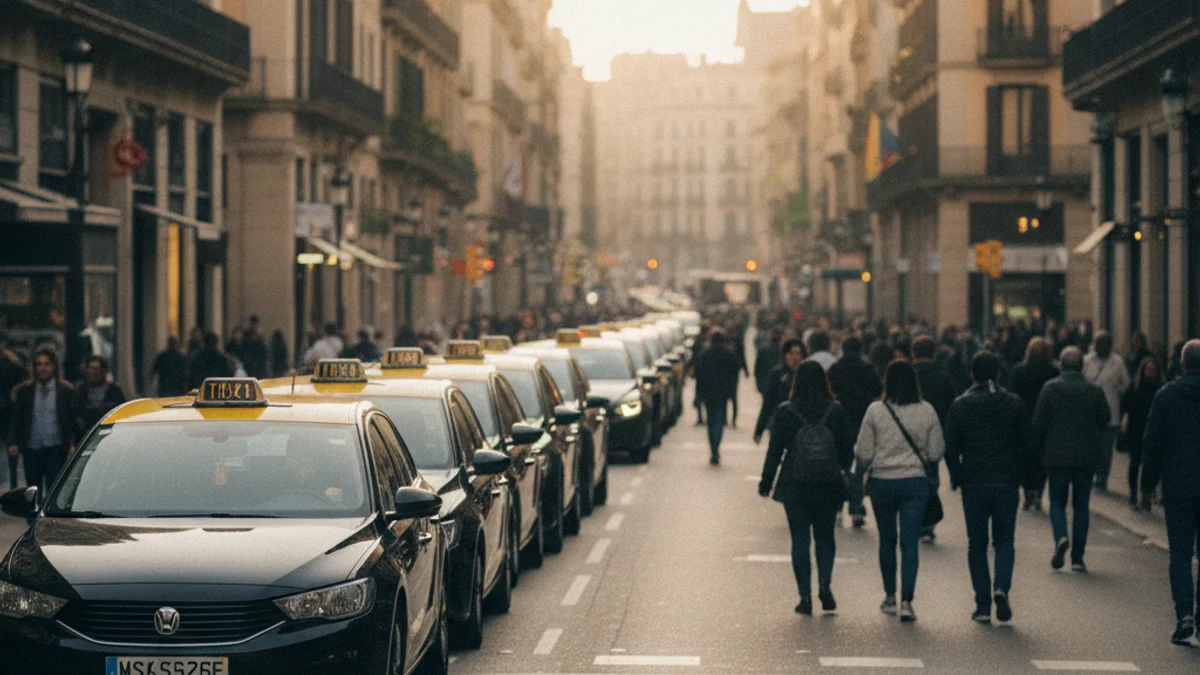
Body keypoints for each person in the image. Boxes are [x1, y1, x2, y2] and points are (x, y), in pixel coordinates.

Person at [758, 362, 854, 615]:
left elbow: (775, 450)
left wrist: (766, 481)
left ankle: (804, 597)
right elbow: (847, 448)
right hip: (828, 484)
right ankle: (825, 584)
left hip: (794, 483)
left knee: (799, 540)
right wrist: (841, 469)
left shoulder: (786, 411)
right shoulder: (835, 411)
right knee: (825, 538)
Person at [944, 351, 1031, 624]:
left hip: (974, 482)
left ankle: (982, 605)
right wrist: (1027, 480)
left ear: (972, 374)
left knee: (977, 545)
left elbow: (951, 448)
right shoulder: (1014, 403)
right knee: (1005, 541)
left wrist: (957, 475)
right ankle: (1001, 587)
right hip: (1006, 481)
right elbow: (1027, 445)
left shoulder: (961, 405)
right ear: (998, 374)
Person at [854, 360, 945, 622]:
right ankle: (907, 601)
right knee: (909, 543)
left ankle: (889, 597)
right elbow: (936, 451)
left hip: (882, 481)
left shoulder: (875, 410)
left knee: (886, 540)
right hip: (914, 482)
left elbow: (863, 452)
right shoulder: (926, 411)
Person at [1141, 339, 1200, 646]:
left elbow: (1153, 445)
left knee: (1179, 554)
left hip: (1177, 487)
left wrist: (1146, 487)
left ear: (1182, 364)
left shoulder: (1166, 396)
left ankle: (1184, 617)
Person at [1033, 347, 1110, 573]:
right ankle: (1078, 558)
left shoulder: (1049, 389)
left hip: (1056, 455)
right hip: (1086, 456)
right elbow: (1104, 420)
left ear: (1061, 366)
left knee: (1057, 501)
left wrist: (1038, 453)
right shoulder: (1094, 391)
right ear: (1082, 366)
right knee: (1081, 505)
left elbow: (1039, 424)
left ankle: (1061, 536)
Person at [828, 335, 882, 528]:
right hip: (862, 423)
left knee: (840, 467)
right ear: (861, 349)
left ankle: (836, 508)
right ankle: (857, 507)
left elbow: (828, 392)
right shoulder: (868, 369)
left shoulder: (835, 369)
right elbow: (878, 390)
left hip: (839, 423)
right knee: (860, 469)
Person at [6, 348, 78, 492]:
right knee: (33, 489)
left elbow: (72, 418)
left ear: (53, 367)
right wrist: (13, 441)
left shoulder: (65, 391)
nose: (42, 368)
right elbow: (17, 417)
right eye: (39, 364)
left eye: (46, 364)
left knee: (54, 488)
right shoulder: (26, 391)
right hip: (32, 448)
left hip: (56, 447)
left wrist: (73, 441)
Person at [911, 335, 954, 542]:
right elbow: (950, 405)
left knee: (911, 473)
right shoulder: (942, 375)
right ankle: (927, 523)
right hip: (933, 431)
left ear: (913, 352)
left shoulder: (908, 374)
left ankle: (915, 518)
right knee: (931, 475)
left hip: (908, 430)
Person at [1009, 337, 1060, 510]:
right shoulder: (1053, 371)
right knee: (1041, 461)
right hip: (1045, 421)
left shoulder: (1019, 370)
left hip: (1023, 419)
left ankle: (1027, 493)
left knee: (1024, 460)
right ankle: (1038, 491)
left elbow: (1012, 395)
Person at [1083, 331, 1130, 491]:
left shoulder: (1118, 362)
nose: (1099, 347)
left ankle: (1103, 476)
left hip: (1110, 409)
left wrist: (1115, 388)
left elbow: (1126, 384)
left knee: (1106, 447)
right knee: (1091, 445)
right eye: (1097, 344)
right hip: (1090, 411)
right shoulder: (1087, 360)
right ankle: (1093, 473)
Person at [694, 329, 741, 465]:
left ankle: (713, 449)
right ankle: (715, 447)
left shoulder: (705, 355)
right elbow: (734, 373)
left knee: (711, 421)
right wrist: (731, 391)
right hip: (722, 394)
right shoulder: (728, 355)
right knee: (719, 421)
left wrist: (699, 394)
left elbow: (699, 376)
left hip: (709, 394)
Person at [1122, 357, 1163, 508]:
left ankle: (1147, 493)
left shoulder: (1161, 389)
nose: (1149, 372)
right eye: (1147, 369)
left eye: (1152, 370)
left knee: (1150, 465)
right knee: (1134, 464)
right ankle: (1133, 493)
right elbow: (1125, 407)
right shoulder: (1134, 388)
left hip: (1154, 432)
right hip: (1136, 431)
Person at [754, 338, 805, 444]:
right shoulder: (777, 374)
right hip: (779, 424)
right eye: (791, 353)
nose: (795, 358)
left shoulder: (806, 373)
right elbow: (768, 403)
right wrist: (759, 430)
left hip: (802, 426)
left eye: (798, 353)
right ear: (785, 355)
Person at [0, 335, 29, 489]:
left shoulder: (11, 364)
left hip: (8, 411)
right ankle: (11, 484)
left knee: (10, 449)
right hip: (8, 411)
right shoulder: (12, 364)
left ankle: (11, 483)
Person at [75, 356, 127, 434]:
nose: (92, 372)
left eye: (95, 369)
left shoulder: (114, 390)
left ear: (103, 371)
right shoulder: (80, 390)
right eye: (89, 368)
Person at [754, 325, 785, 395]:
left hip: (765, 384)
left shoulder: (763, 349)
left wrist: (759, 384)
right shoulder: (784, 350)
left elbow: (757, 369)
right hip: (778, 386)